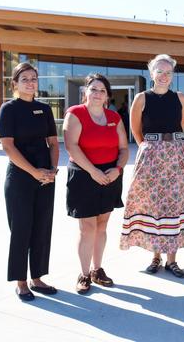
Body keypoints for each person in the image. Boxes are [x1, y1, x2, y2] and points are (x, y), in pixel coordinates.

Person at [120, 54, 184, 278]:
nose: (163, 76)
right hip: (151, 154)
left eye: (168, 72)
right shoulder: (142, 98)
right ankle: (155, 257)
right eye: (159, 71)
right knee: (152, 205)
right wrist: (149, 148)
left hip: (175, 155)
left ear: (172, 75)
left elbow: (179, 126)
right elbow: (135, 129)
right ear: (151, 73)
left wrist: (168, 147)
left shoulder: (179, 97)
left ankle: (172, 260)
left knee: (174, 204)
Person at [0, 62, 59, 301]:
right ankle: (21, 282)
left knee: (42, 228)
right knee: (21, 229)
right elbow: (8, 146)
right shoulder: (9, 109)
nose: (30, 82)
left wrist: (52, 170)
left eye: (34, 78)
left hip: (45, 176)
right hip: (21, 178)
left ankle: (38, 277)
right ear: (15, 83)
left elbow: (53, 143)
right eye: (25, 79)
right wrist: (34, 172)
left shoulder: (44, 110)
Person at [63, 74, 129, 294]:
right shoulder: (75, 114)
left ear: (107, 95)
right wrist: (93, 172)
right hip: (84, 175)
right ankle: (83, 274)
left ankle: (97, 270)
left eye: (102, 90)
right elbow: (71, 146)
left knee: (102, 226)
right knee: (87, 228)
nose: (97, 93)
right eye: (93, 89)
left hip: (110, 175)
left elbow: (124, 149)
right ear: (85, 92)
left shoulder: (114, 117)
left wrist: (117, 170)